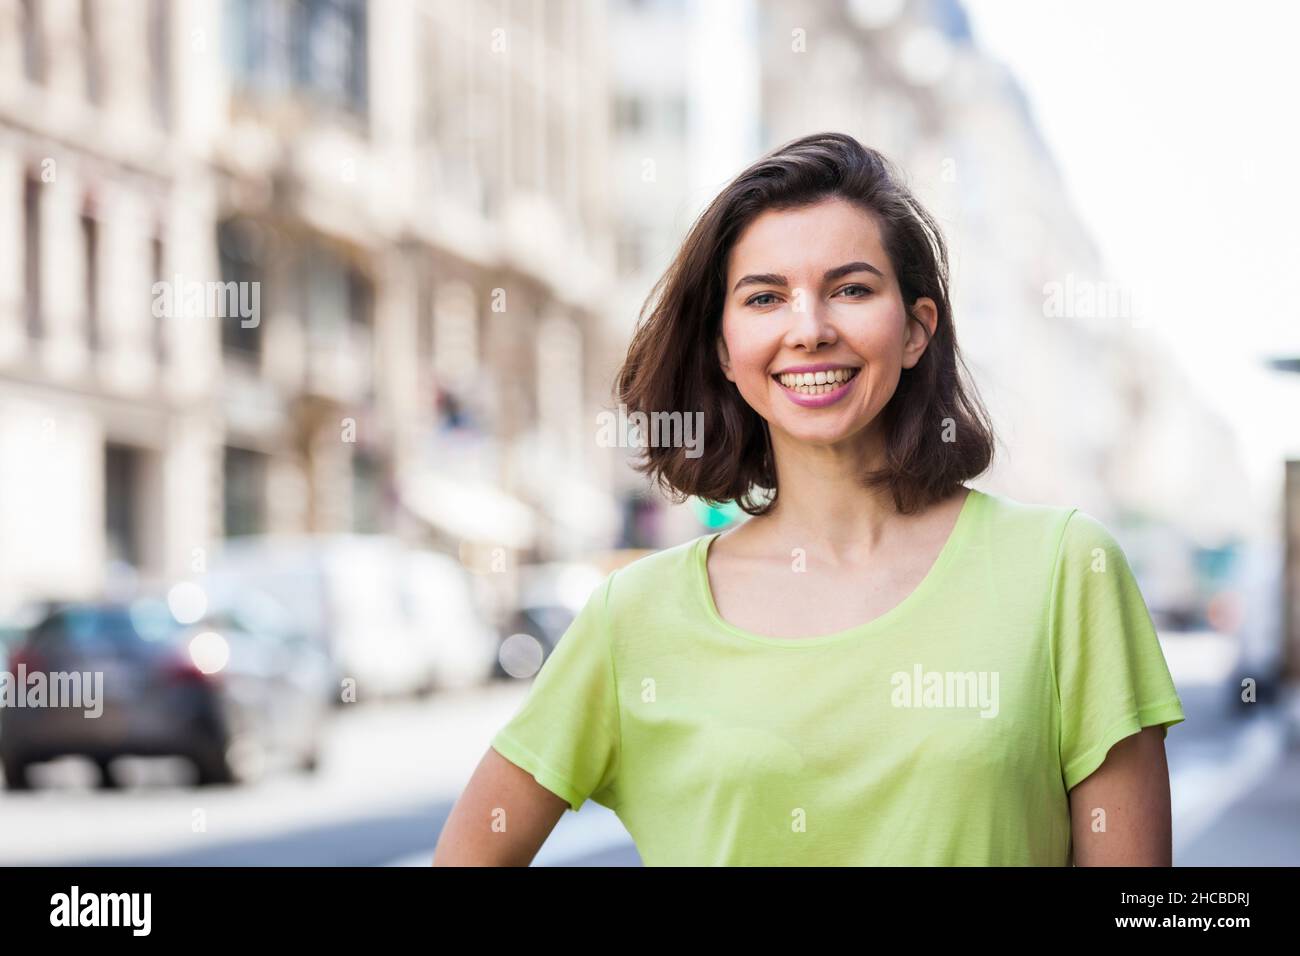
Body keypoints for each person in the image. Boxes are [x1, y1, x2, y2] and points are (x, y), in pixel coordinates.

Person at [432, 131, 1184, 866]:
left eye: (851, 289)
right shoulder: (632, 617)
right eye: (765, 298)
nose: (810, 329)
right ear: (725, 348)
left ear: (918, 329)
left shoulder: (1062, 572)